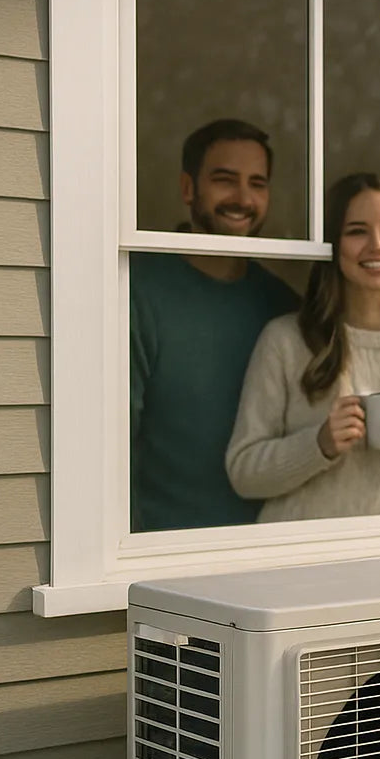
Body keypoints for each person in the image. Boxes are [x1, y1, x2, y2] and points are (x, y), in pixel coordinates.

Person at [226, 172, 380, 520]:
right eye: (357, 231)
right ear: (332, 244)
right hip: (301, 560)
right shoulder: (285, 340)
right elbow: (243, 473)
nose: (377, 244)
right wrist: (318, 444)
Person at [130, 118, 299, 532]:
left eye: (257, 184)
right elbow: (109, 451)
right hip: (159, 552)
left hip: (271, 545)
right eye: (225, 180)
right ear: (189, 188)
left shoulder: (281, 305)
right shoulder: (137, 290)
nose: (243, 198)